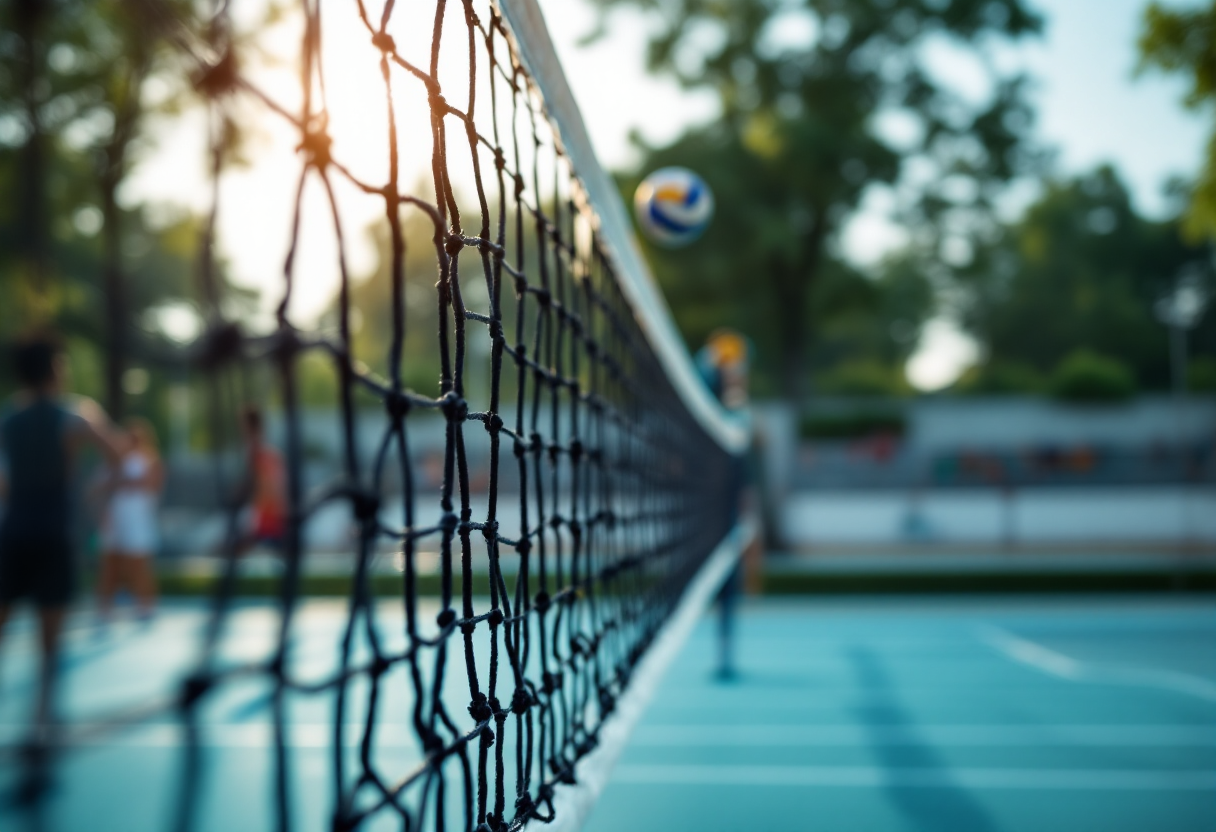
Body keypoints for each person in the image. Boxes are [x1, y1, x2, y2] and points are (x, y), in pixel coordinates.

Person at [0, 333, 122, 765]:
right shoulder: (75, 414)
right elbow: (118, 453)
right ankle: (39, 729)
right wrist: (97, 487)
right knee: (48, 647)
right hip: (53, 535)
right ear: (54, 368)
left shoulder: (10, 417)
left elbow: (4, 482)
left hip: (12, 533)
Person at [96, 417, 163, 624]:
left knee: (139, 566)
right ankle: (105, 609)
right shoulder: (116, 462)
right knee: (110, 564)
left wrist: (124, 482)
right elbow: (100, 487)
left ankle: (146, 605)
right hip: (117, 520)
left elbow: (151, 484)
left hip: (138, 522)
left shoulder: (151, 460)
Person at [240, 406, 287, 551]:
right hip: (266, 524)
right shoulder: (264, 454)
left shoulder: (262, 456)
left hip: (270, 526)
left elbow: (270, 491)